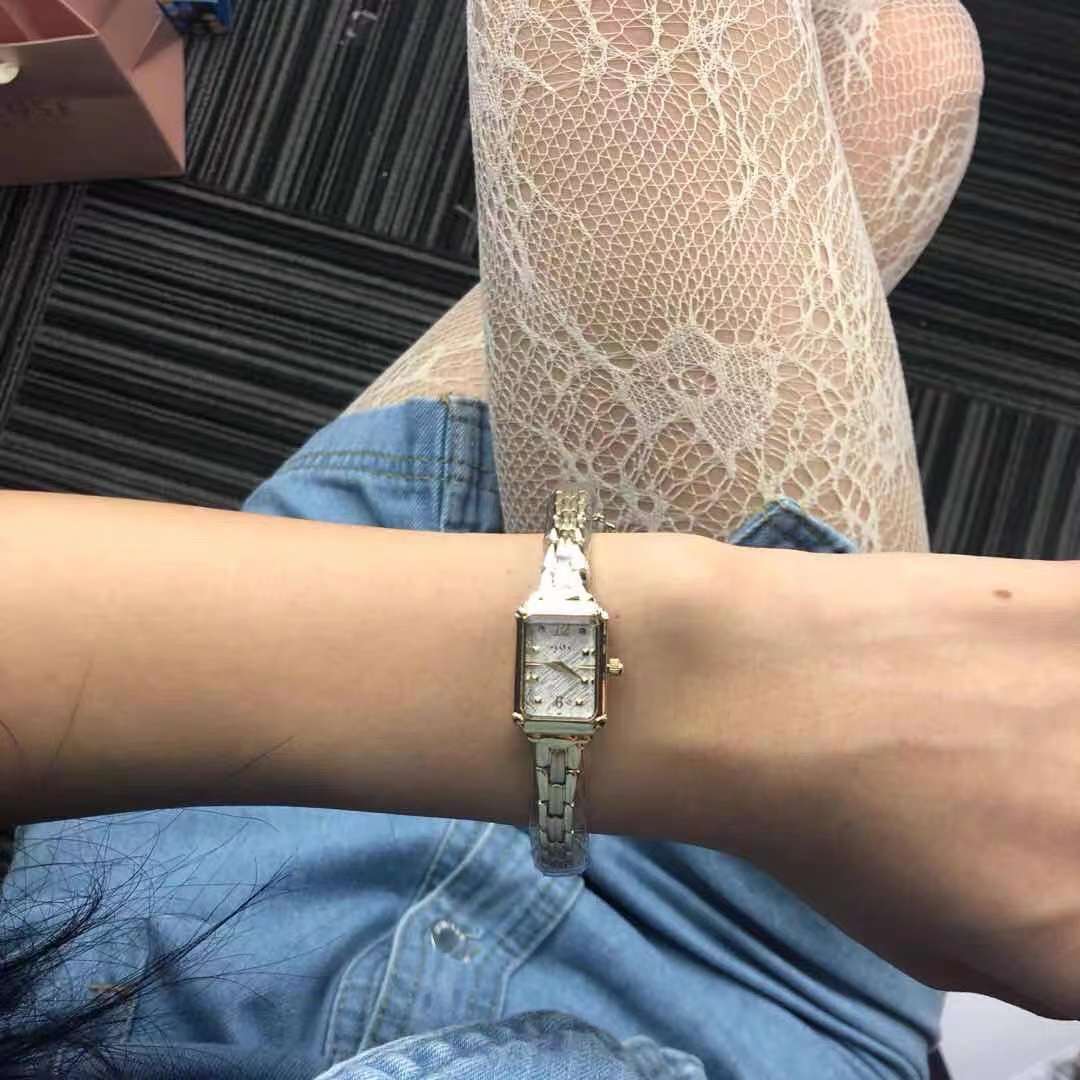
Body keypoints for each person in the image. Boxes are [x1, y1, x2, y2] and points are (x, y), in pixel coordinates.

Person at [2, 1, 1078, 1077]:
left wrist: (700, 658)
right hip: (760, 963)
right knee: (913, 73)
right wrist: (734, 682)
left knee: (844, 62)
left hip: (211, 792)